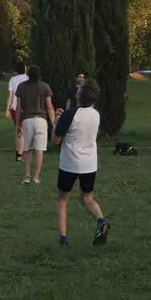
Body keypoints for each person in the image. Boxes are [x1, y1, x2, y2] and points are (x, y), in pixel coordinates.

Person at [52, 80, 109, 247]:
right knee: (87, 198)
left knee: (62, 199)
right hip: (89, 163)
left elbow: (55, 140)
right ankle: (101, 222)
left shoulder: (69, 115)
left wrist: (57, 122)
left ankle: (63, 239)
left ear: (79, 95)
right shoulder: (95, 114)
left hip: (70, 163)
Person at [15, 65, 55, 186]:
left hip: (27, 120)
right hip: (41, 120)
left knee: (27, 149)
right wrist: (53, 123)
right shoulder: (45, 87)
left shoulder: (21, 87)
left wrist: (18, 124)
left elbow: (18, 108)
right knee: (39, 149)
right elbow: (49, 107)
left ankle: (27, 175)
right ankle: (36, 177)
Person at [7, 60, 28, 162]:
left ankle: (18, 153)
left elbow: (10, 95)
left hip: (14, 108)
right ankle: (20, 153)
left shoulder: (13, 79)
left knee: (17, 130)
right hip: (26, 108)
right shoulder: (28, 79)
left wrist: (7, 109)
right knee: (23, 132)